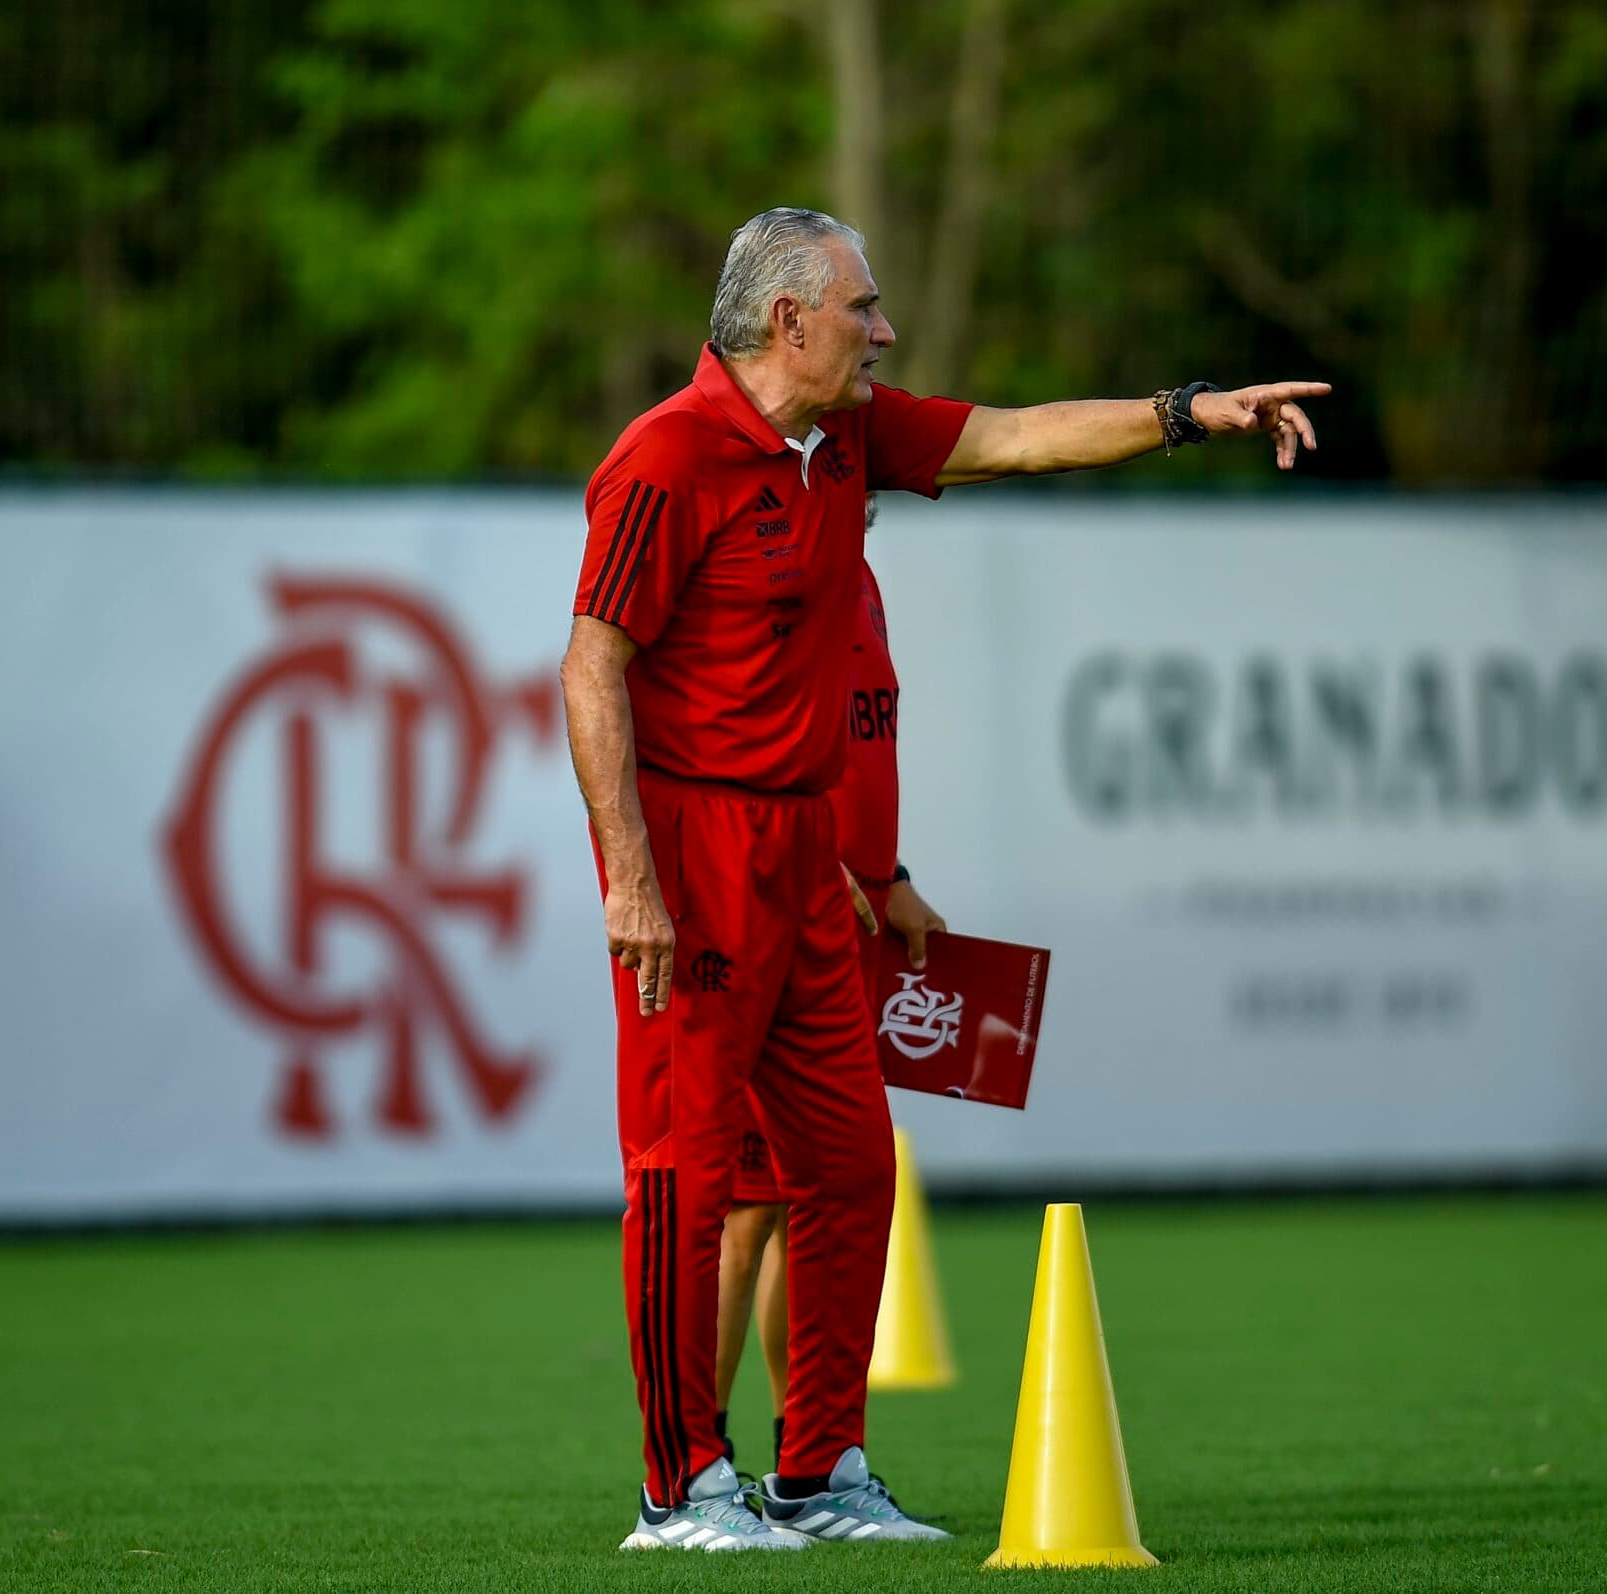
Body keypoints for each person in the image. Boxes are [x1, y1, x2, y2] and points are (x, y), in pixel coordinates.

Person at [562, 205, 1325, 1554]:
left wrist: (1189, 411)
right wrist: (631, 876)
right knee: (685, 1172)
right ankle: (678, 1489)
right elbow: (591, 668)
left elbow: (1023, 437)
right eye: (863, 307)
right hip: (695, 851)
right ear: (789, 320)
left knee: (852, 1163)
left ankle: (818, 1470)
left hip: (807, 855)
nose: (885, 330)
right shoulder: (663, 457)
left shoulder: (849, 435)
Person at [711, 492, 943, 1493]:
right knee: (746, 1211)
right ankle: (697, 1466)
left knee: (808, 1199)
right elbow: (742, 749)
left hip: (851, 920)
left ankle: (798, 1455)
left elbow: (859, 748)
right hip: (779, 919)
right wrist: (810, 863)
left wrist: (891, 876)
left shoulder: (861, 582)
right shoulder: (773, 586)